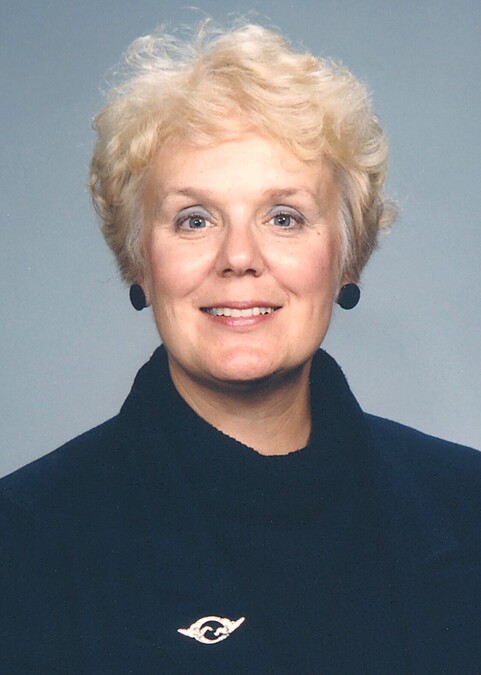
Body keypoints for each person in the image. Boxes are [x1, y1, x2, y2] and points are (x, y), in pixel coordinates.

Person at [1, 21, 480, 674]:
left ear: (347, 257)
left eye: (283, 217)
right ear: (138, 260)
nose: (238, 257)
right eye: (194, 219)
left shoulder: (467, 506)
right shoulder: (22, 542)